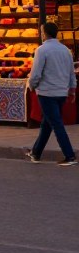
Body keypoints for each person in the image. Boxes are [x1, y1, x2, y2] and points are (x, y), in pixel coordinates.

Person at [27, 22, 77, 165]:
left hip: (47, 92)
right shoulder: (65, 50)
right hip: (61, 92)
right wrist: (72, 89)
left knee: (56, 123)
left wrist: (31, 85)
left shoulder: (42, 50)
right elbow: (71, 72)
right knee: (47, 123)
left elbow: (36, 73)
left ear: (44, 33)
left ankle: (69, 155)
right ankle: (36, 153)